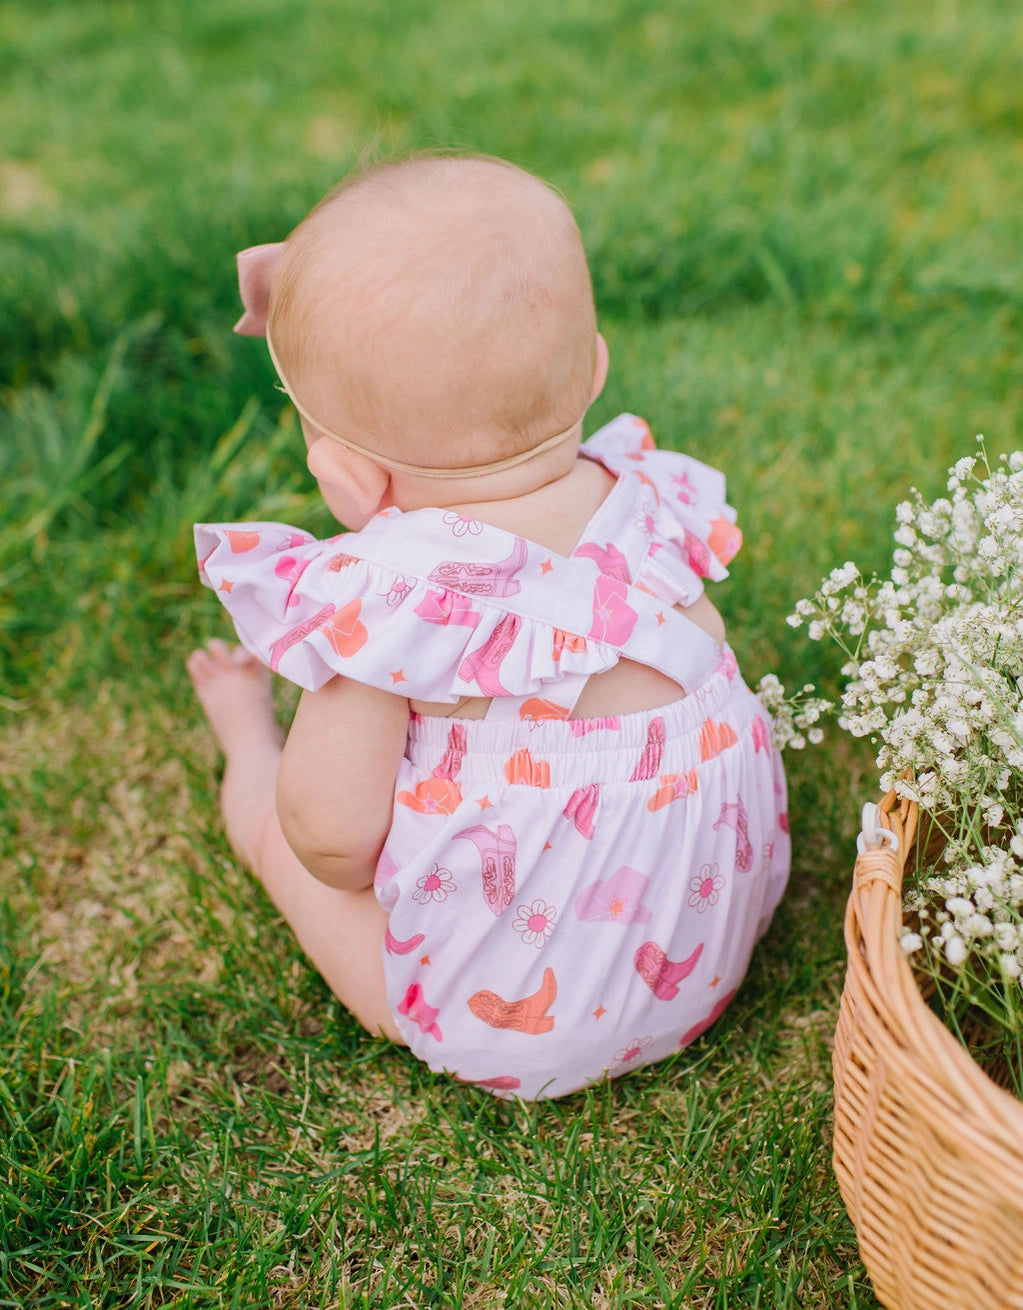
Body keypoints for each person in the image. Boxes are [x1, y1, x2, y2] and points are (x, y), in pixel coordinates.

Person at [188, 153, 790, 1099]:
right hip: (707, 947)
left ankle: (239, 737)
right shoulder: (653, 502)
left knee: (282, 834)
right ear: (592, 366)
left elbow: (332, 839)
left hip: (505, 1027)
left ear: (347, 478)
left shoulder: (394, 606)